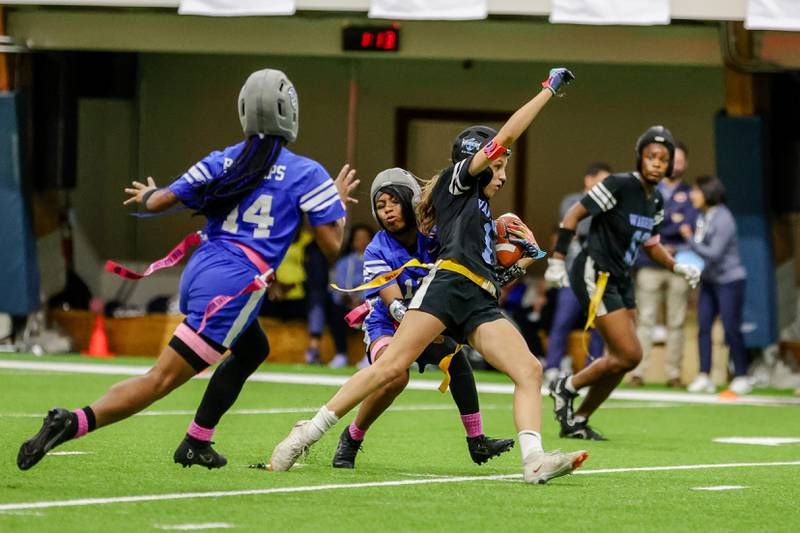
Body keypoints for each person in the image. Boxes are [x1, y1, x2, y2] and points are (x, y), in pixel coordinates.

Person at [17, 68, 358, 471]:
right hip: (236, 286)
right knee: (160, 380)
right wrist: (334, 205)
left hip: (203, 269)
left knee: (253, 348)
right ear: (291, 113)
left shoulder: (222, 159)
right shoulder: (307, 173)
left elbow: (159, 201)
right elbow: (332, 245)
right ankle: (73, 421)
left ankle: (198, 441)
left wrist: (146, 194)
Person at [270, 68, 590, 485]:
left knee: (529, 370)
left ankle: (533, 461)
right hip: (448, 286)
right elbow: (508, 135)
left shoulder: (477, 212)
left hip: (477, 298)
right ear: (481, 158)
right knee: (391, 369)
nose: (504, 173)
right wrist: (547, 91)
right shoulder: (458, 183)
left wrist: (522, 263)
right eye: (500, 165)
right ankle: (306, 433)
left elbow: (490, 275)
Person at [331, 168, 514, 468]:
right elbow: (393, 303)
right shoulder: (377, 248)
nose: (387, 211)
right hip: (389, 324)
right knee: (395, 375)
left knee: (457, 360)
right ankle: (352, 437)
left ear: (410, 201)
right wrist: (431, 323)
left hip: (429, 319)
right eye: (380, 205)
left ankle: (476, 441)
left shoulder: (437, 235)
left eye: (393, 202)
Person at [546, 126, 701, 441]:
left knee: (622, 359)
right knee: (630, 354)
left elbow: (651, 244)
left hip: (621, 277)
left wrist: (677, 266)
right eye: (651, 156)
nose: (657, 163)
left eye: (663, 158)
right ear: (640, 158)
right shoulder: (618, 185)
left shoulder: (655, 200)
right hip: (594, 270)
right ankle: (566, 387)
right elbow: (572, 217)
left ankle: (578, 417)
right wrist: (557, 259)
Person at [631, 141, 698, 387]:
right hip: (648, 262)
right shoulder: (647, 189)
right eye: (673, 160)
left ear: (685, 164)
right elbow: (647, 223)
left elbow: (691, 225)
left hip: (679, 263)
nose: (676, 165)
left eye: (681, 160)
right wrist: (673, 223)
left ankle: (674, 374)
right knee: (645, 318)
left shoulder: (692, 194)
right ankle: (638, 372)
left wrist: (667, 228)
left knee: (677, 320)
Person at [680, 175, 750, 395]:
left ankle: (741, 375)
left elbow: (715, 253)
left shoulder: (724, 218)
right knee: (703, 328)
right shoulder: (703, 216)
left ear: (708, 193)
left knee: (731, 328)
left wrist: (689, 240)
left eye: (696, 191)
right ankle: (704, 375)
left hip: (730, 280)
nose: (693, 195)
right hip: (709, 281)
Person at [542, 163, 610, 386]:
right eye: (602, 180)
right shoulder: (571, 201)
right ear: (588, 180)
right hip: (572, 274)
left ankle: (594, 370)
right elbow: (575, 225)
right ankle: (552, 367)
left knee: (599, 325)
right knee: (562, 321)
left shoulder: (610, 204)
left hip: (598, 274)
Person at [327, 224, 374, 368]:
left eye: (365, 239)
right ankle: (341, 354)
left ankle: (369, 356)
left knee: (376, 314)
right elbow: (334, 284)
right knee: (334, 312)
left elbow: (378, 283)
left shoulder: (376, 260)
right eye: (358, 239)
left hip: (368, 302)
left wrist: (362, 299)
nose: (361, 242)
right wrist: (344, 297)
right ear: (352, 241)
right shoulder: (343, 262)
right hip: (346, 303)